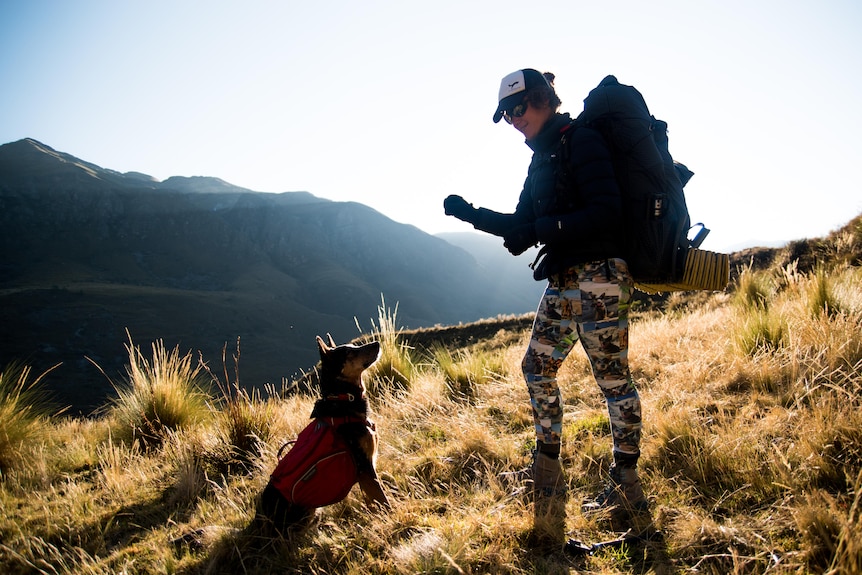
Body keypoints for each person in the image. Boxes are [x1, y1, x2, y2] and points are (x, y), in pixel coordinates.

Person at [443, 69, 647, 525]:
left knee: (612, 380)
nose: (514, 119)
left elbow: (606, 212)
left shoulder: (584, 141)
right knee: (536, 368)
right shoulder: (540, 159)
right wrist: (472, 214)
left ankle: (627, 481)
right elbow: (521, 221)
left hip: (601, 276)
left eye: (519, 109)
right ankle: (548, 468)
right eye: (507, 115)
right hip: (563, 278)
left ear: (543, 100)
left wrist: (539, 230)